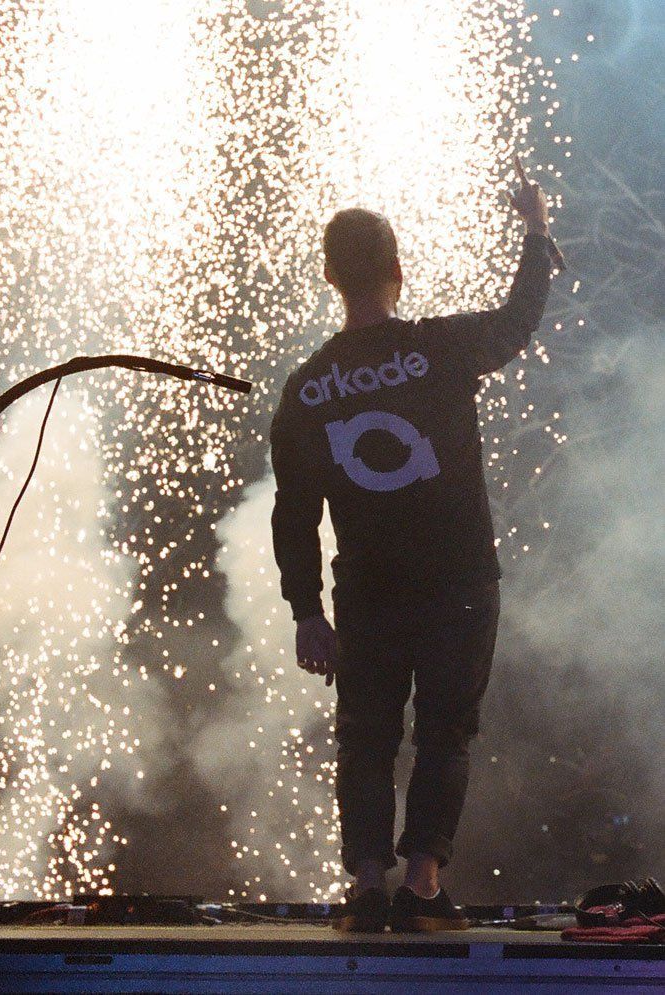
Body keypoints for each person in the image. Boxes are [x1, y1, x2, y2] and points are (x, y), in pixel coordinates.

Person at [269, 159, 556, 933]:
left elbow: (294, 514)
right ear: (398, 268)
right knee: (444, 732)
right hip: (459, 582)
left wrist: (306, 611)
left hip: (368, 591)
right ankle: (423, 886)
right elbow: (519, 319)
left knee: (365, 738)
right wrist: (535, 230)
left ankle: (368, 885)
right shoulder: (441, 348)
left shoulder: (307, 388)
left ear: (330, 276)